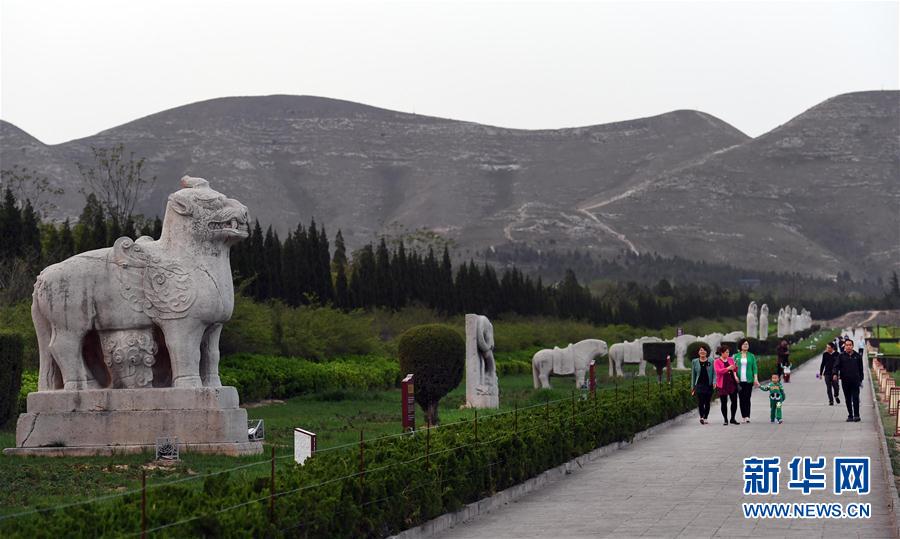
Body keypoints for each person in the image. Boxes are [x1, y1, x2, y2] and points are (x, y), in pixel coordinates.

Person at [834, 338, 864, 422]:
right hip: (845, 381)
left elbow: (861, 369)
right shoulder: (841, 356)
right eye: (847, 345)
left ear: (853, 346)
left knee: (855, 398)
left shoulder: (857, 356)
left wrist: (861, 379)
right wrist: (835, 374)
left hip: (855, 381)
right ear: (844, 346)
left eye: (850, 345)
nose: (848, 347)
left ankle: (857, 415)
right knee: (847, 398)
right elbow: (836, 366)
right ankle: (850, 415)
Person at [734, 338, 760, 423]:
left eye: (747, 344)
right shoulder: (736, 356)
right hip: (739, 380)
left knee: (747, 398)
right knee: (741, 398)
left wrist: (755, 378)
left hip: (749, 380)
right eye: (744, 344)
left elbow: (754, 368)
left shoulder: (751, 356)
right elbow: (733, 368)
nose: (746, 345)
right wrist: (735, 376)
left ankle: (748, 416)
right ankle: (744, 416)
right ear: (740, 346)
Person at [714, 345, 739, 425]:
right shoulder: (717, 361)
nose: (728, 354)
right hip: (722, 384)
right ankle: (725, 419)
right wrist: (728, 368)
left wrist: (735, 366)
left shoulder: (731, 359)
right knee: (724, 402)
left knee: (734, 401)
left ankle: (732, 418)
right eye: (726, 352)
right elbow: (718, 371)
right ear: (722, 353)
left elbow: (734, 369)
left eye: (728, 352)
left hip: (732, 383)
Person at [691, 344, 715, 424]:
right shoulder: (694, 361)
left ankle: (706, 417)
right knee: (700, 402)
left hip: (709, 385)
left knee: (707, 402)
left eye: (704, 350)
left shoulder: (711, 360)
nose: (702, 352)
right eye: (701, 350)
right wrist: (693, 387)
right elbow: (693, 375)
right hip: (699, 385)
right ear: (698, 352)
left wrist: (714, 382)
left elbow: (714, 373)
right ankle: (701, 416)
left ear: (706, 352)